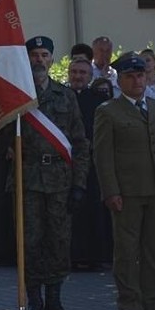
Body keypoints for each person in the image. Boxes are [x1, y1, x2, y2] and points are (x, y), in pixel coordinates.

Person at [14, 37, 89, 310]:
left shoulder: (65, 96)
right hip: (28, 180)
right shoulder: (17, 96)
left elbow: (80, 143)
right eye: (34, 55)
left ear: (52, 60)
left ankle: (55, 303)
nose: (39, 60)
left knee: (58, 241)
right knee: (31, 242)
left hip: (60, 180)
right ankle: (34, 303)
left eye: (44, 55)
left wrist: (79, 184)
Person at [94, 52, 155, 310]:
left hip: (154, 189)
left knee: (153, 249)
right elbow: (103, 155)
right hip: (127, 191)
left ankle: (152, 300)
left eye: (140, 75)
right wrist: (111, 191)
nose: (137, 81)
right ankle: (129, 302)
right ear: (120, 80)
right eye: (130, 76)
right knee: (126, 250)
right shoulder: (109, 111)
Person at [68, 58, 113, 270]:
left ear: (90, 76)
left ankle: (95, 256)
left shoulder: (98, 101)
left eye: (82, 73)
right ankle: (71, 256)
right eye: (74, 72)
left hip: (92, 165)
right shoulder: (61, 97)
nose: (78, 76)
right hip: (65, 165)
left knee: (93, 209)